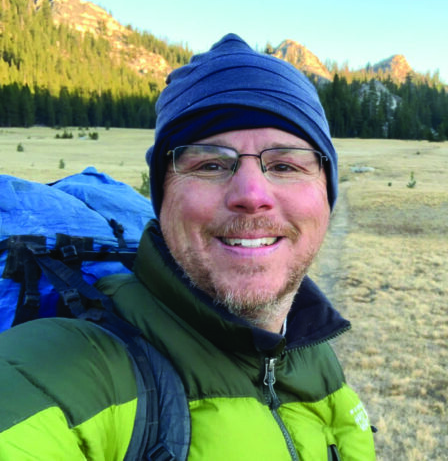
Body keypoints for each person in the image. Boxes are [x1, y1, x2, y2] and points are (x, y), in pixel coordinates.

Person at [0, 33, 376, 460]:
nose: (252, 194)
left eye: (285, 164)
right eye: (210, 164)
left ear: (326, 195)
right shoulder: (69, 371)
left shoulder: (315, 353)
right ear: (163, 198)